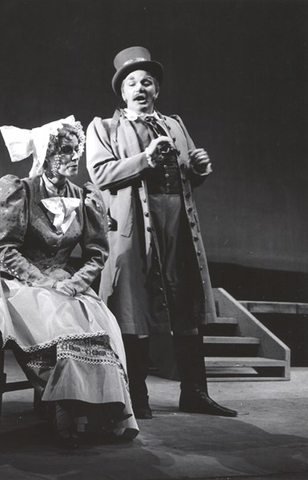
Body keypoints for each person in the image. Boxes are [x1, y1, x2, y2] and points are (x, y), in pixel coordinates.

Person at [0, 115, 139, 448]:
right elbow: (5, 249)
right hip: (18, 279)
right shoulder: (19, 190)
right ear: (46, 154)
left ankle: (100, 412)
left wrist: (76, 282)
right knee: (57, 318)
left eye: (77, 150)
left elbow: (97, 253)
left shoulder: (85, 197)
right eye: (66, 151)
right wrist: (41, 281)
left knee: (99, 319)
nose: (75, 157)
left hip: (63, 280)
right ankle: (65, 409)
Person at [86, 47, 237, 420]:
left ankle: (195, 393)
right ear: (122, 92)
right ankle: (137, 397)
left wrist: (198, 169)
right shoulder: (103, 128)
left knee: (187, 306)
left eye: (147, 82)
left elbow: (186, 175)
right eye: (132, 82)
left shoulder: (175, 124)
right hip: (135, 229)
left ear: (157, 90)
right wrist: (145, 159)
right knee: (132, 311)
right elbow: (101, 174)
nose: (140, 87)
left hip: (179, 227)